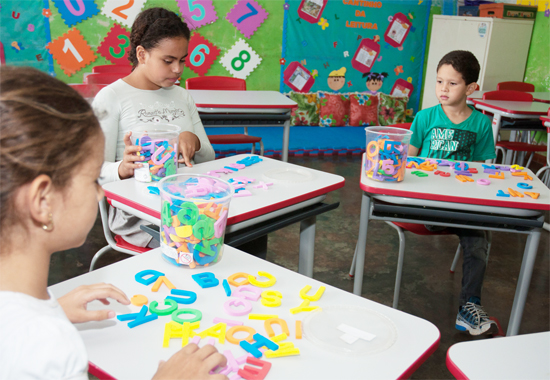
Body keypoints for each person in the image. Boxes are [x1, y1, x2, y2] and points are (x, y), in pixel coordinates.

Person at [0, 66, 227, 379]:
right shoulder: (47, 349)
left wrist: (53, 309)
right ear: (43, 201)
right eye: (93, 177)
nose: (99, 189)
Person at [93, 7, 215, 247]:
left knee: (245, 229)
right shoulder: (111, 97)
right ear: (142, 54)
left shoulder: (182, 96)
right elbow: (92, 172)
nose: (178, 69)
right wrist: (122, 168)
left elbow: (209, 158)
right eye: (168, 61)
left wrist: (194, 140)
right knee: (203, 238)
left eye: (182, 60)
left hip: (187, 201)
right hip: (138, 215)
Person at [408, 50, 497, 336]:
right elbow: (406, 161)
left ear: (471, 88)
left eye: (452, 83)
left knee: (479, 238)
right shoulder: (424, 118)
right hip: (425, 203)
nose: (443, 89)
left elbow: (484, 168)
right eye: (439, 82)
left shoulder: (481, 124)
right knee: (475, 231)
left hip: (459, 203)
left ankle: (469, 308)